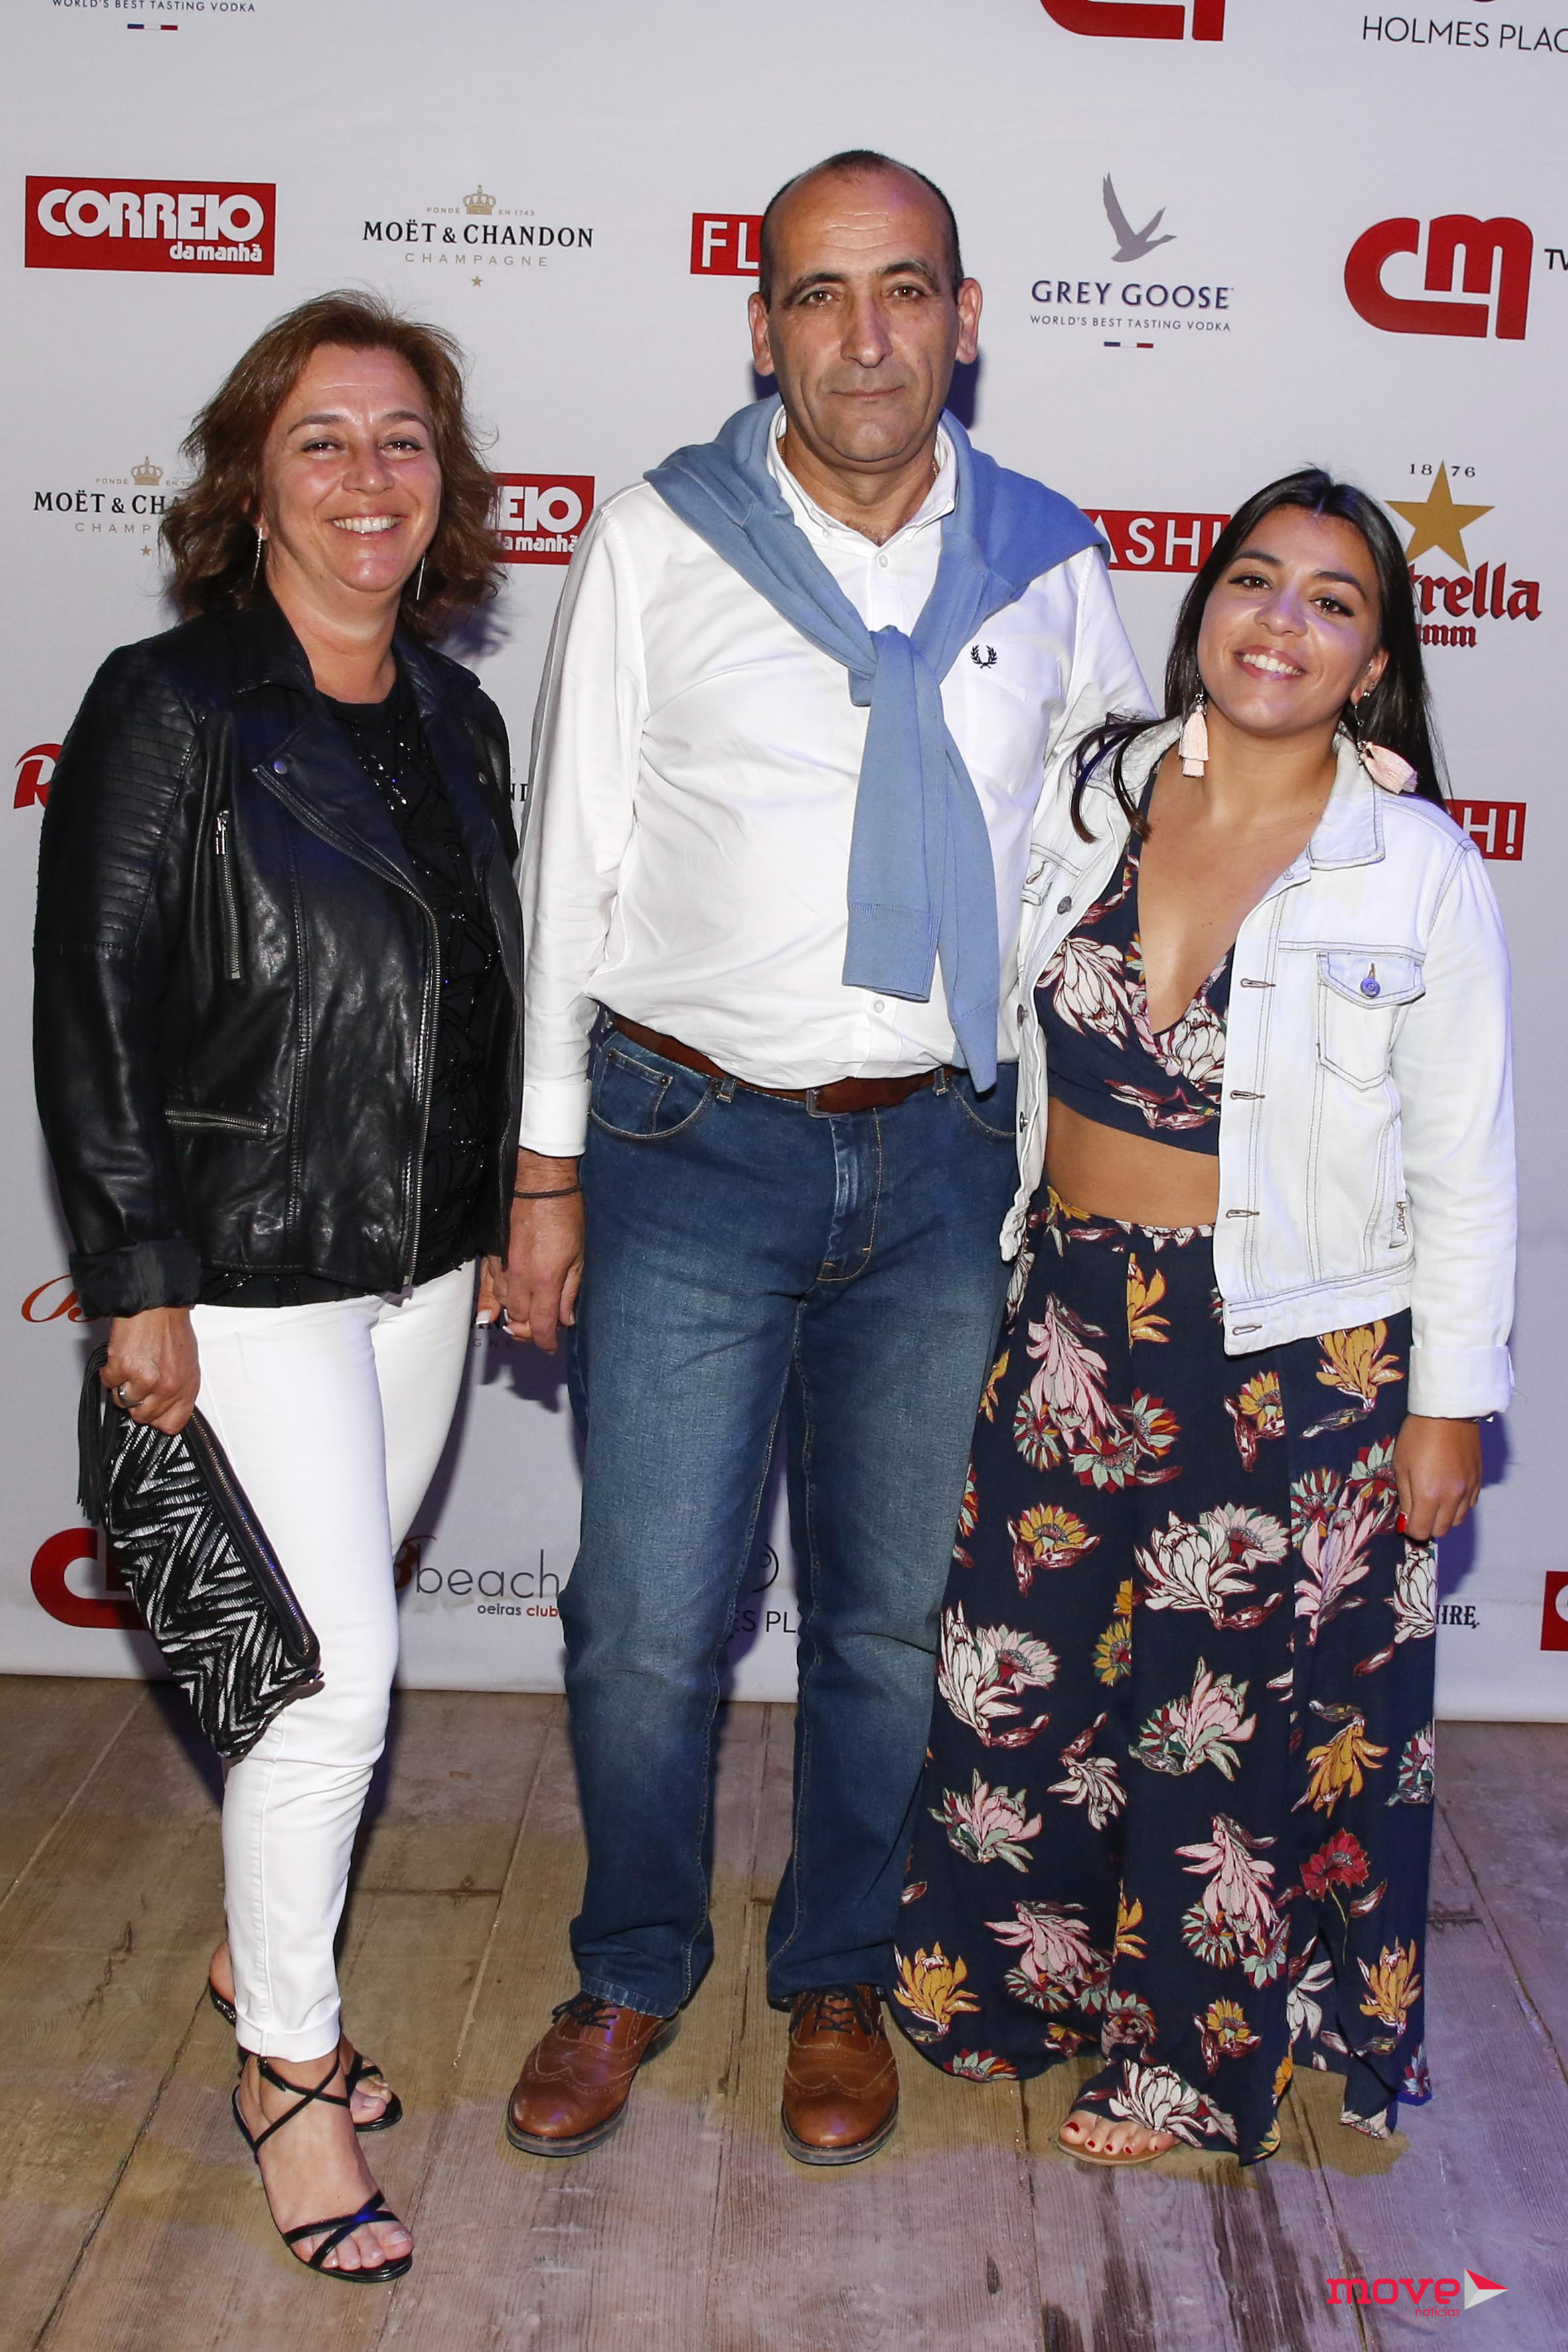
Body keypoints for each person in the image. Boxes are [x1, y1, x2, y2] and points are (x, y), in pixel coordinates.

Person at [499, 148, 1146, 2167]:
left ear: (966, 318)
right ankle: (628, 1964)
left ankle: (840, 1968)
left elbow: (1120, 840)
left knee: (887, 1619)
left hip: (946, 1159)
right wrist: (542, 1173)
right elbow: (567, 865)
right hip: (687, 1146)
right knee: (641, 1620)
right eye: (817, 294)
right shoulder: (657, 542)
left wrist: (1326, 792)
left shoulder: (1049, 563)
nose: (864, 337)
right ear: (760, 328)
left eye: (904, 289)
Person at [893, 470, 1514, 2167]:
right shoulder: (1092, 795)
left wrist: (1447, 1402)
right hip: (1069, 1309)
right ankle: (1017, 1981)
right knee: (1018, 1677)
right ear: (1201, 609)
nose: (1279, 620)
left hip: (1293, 1356)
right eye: (1252, 578)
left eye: (1331, 600)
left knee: (1218, 1724)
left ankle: (1188, 2055)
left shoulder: (1411, 866)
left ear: (1371, 663)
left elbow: (1464, 1163)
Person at [34, 291, 522, 2277]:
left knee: (307, 1671)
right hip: (241, 1264)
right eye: (321, 439)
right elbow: (91, 1004)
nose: (367, 478)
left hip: (419, 1267)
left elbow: (476, 995)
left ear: (444, 485)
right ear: (253, 482)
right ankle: (291, 2076)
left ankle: (262, 1954)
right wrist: (135, 1274)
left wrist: (506, 1214)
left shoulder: (458, 720)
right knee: (325, 1688)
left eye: (403, 440)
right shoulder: (173, 704)